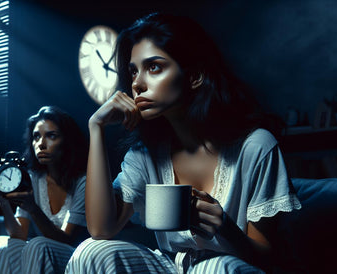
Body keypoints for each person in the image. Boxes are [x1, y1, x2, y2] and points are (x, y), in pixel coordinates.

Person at [66, 12, 301, 273]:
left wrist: (225, 227)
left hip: (232, 268)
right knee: (91, 250)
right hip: (173, 267)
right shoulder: (145, 155)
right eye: (133, 71)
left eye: (154, 67)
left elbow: (268, 259)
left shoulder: (255, 147)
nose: (137, 84)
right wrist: (95, 128)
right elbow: (101, 228)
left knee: (213, 268)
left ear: (194, 76)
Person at [0, 106, 89, 273]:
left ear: (67, 141)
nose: (41, 144)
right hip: (40, 252)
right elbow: (19, 235)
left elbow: (66, 239)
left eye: (51, 136)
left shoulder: (83, 181)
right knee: (6, 249)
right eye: (36, 137)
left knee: (38, 244)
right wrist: (3, 201)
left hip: (75, 255)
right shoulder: (32, 178)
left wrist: (33, 208)